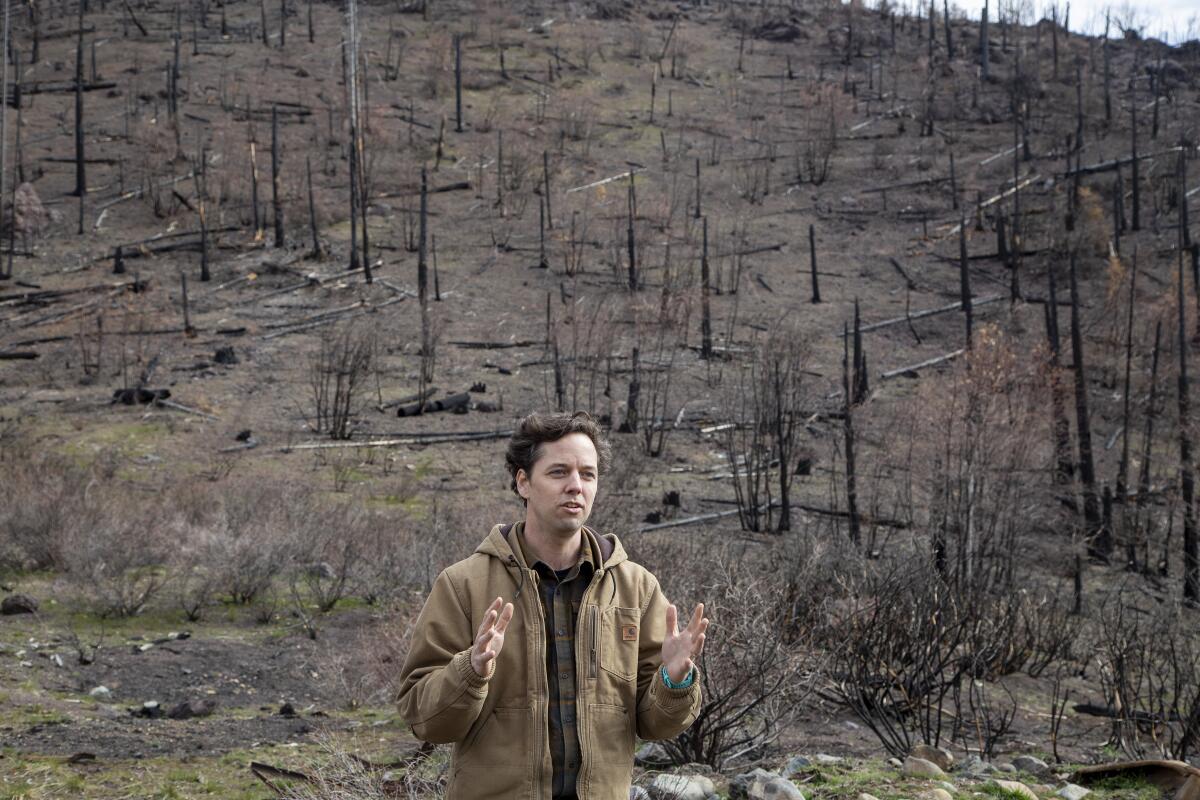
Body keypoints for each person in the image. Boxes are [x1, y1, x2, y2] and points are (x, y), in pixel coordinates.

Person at [397, 411, 709, 800]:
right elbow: (425, 720)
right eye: (559, 472)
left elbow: (654, 724)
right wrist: (470, 671)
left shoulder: (636, 589)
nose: (576, 486)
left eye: (588, 474)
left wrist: (673, 680)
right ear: (523, 482)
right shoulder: (464, 585)